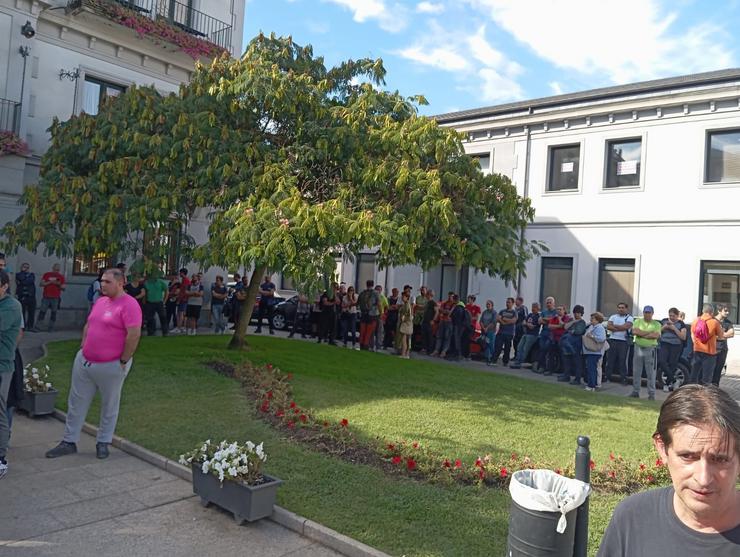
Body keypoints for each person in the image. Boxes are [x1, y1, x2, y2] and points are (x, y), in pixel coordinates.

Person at [597, 385, 740, 556]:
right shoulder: (632, 518)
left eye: (720, 459)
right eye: (687, 456)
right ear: (662, 449)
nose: (703, 478)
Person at [45, 268, 142, 461]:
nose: (102, 285)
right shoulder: (100, 301)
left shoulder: (129, 305)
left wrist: (123, 360)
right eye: (102, 281)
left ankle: (103, 442)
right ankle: (69, 441)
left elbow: (134, 335)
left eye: (107, 282)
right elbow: (89, 324)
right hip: (85, 362)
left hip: (111, 365)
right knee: (76, 402)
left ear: (120, 283)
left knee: (109, 405)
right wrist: (83, 346)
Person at [0, 270, 23, 479]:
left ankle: (0, 459)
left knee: (0, 414)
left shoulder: (11, 306)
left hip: (1, 367)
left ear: (5, 285)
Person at [630, 305, 662, 400]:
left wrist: (642, 333)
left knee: (651, 373)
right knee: (636, 371)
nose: (647, 314)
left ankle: (651, 394)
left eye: (649, 312)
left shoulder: (656, 324)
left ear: (652, 313)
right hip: (638, 347)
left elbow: (656, 335)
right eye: (645, 312)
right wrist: (648, 333)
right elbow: (635, 332)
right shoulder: (637, 321)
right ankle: (635, 392)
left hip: (650, 349)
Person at [690, 304, 725, 385]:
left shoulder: (695, 321)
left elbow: (692, 334)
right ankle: (704, 395)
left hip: (697, 350)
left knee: (694, 375)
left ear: (703, 311)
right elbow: (721, 337)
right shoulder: (714, 322)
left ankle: (691, 393)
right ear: (712, 312)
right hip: (710, 352)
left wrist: (696, 343)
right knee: (707, 378)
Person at [658, 308, 687, 392]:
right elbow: (657, 332)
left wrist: (674, 328)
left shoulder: (681, 324)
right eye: (670, 315)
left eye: (673, 316)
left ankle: (667, 384)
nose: (671, 317)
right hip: (664, 344)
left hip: (676, 345)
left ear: (677, 316)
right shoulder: (664, 321)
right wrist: (665, 327)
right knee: (662, 362)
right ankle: (674, 380)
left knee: (672, 364)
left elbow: (683, 337)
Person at [606, 302, 634, 384]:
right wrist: (620, 327)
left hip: (623, 342)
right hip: (612, 340)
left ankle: (623, 378)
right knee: (610, 359)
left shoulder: (629, 318)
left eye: (623, 308)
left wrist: (615, 326)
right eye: (619, 307)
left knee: (623, 360)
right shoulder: (613, 316)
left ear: (626, 309)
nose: (621, 309)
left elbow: (626, 327)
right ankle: (607, 377)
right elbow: (608, 326)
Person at [559, 305, 587, 383]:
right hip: (567, 344)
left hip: (576, 344)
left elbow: (578, 331)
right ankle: (566, 375)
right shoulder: (572, 321)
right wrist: (573, 322)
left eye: (578, 313)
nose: (576, 314)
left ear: (581, 313)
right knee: (566, 361)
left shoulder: (582, 322)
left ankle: (577, 379)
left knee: (577, 362)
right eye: (575, 313)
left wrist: (571, 331)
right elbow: (565, 327)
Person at [510, 303, 541, 369]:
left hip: (533, 335)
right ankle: (517, 360)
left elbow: (532, 327)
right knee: (519, 347)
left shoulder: (539, 316)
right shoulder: (530, 315)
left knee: (525, 349)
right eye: (533, 307)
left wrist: (527, 324)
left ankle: (519, 363)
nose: (533, 308)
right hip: (526, 333)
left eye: (535, 307)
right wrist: (527, 324)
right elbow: (523, 322)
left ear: (538, 308)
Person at [37, 263, 65, 332]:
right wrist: (50, 282)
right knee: (42, 311)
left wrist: (58, 284)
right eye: (55, 269)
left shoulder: (61, 277)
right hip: (46, 296)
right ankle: (38, 327)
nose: (56, 271)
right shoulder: (47, 275)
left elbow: (63, 288)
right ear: (53, 268)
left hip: (55, 297)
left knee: (54, 312)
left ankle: (51, 327)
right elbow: (41, 284)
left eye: (58, 269)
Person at [583, 312, 607, 392]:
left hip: (595, 352)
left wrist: (592, 336)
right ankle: (591, 384)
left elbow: (602, 338)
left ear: (597, 320)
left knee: (592, 368)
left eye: (592, 318)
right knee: (590, 368)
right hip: (590, 351)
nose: (591, 320)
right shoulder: (592, 326)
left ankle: (591, 385)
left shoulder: (599, 327)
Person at [713, 304, 734, 387]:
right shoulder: (713, 321)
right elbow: (711, 335)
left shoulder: (728, 322)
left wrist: (719, 335)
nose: (727, 312)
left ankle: (715, 388)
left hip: (723, 350)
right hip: (713, 349)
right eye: (725, 310)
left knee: (718, 371)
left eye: (728, 311)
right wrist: (724, 334)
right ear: (719, 311)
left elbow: (732, 334)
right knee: (711, 370)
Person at [143, 272, 169, 337]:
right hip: (149, 302)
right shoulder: (146, 283)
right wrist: (144, 302)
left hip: (159, 302)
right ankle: (151, 332)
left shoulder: (160, 282)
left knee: (163, 317)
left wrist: (164, 301)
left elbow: (166, 291)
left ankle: (165, 332)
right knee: (150, 318)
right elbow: (145, 293)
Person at [535, 297, 557, 373]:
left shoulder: (556, 312)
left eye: (550, 302)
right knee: (541, 349)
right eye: (547, 302)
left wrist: (546, 319)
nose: (548, 304)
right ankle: (542, 367)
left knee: (547, 349)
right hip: (543, 333)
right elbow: (540, 321)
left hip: (551, 333)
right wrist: (548, 320)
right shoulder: (544, 311)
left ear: (553, 303)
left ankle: (549, 368)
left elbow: (554, 320)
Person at [358, 280, 380, 350]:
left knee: (362, 330)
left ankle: (361, 344)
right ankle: (366, 345)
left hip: (363, 313)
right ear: (373, 285)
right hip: (372, 314)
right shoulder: (375, 293)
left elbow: (358, 303)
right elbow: (379, 303)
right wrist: (381, 313)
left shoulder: (362, 293)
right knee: (369, 331)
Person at [431, 292, 455, 358]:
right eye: (449, 296)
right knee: (439, 336)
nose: (450, 297)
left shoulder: (454, 304)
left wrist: (444, 311)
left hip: (449, 322)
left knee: (447, 337)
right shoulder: (445, 303)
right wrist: (445, 311)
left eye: (451, 296)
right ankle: (436, 350)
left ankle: (444, 351)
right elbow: (440, 309)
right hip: (442, 321)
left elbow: (449, 312)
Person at [15, 262, 36, 331]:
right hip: (22, 296)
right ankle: (23, 327)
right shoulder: (18, 274)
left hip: (31, 296)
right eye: (24, 267)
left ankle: (30, 327)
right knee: (22, 312)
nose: (26, 268)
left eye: (27, 267)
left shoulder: (32, 274)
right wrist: (24, 280)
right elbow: (21, 279)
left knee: (31, 312)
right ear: (21, 267)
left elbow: (29, 281)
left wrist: (23, 281)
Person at [420, 289, 438, 354]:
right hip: (425, 321)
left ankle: (429, 350)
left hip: (429, 321)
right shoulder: (427, 302)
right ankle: (424, 348)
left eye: (427, 294)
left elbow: (436, 312)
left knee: (429, 336)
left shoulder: (433, 303)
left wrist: (433, 320)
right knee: (424, 335)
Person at [480, 300, 497, 366]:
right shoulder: (484, 312)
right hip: (484, 330)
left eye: (489, 304)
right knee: (486, 344)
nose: (487, 305)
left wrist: (487, 328)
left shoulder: (494, 313)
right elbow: (481, 320)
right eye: (487, 304)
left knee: (491, 344)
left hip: (491, 331)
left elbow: (493, 322)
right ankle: (487, 358)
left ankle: (493, 357)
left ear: (492, 305)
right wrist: (483, 328)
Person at [398, 291, 413, 359]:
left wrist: (403, 318)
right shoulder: (405, 304)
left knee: (404, 339)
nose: (402, 298)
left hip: (406, 324)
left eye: (403, 297)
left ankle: (404, 354)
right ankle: (405, 353)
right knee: (405, 339)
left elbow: (409, 316)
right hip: (405, 323)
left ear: (407, 298)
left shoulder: (407, 305)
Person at [175, 268, 191, 334]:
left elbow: (184, 291)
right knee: (181, 313)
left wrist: (179, 299)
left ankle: (179, 327)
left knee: (180, 313)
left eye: (180, 272)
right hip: (184, 299)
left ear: (182, 273)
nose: (179, 274)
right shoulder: (184, 280)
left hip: (183, 299)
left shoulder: (185, 280)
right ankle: (181, 327)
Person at [374, 285, 388, 351]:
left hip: (380, 315)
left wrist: (383, 315)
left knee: (379, 331)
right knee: (371, 330)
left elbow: (386, 307)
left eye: (379, 289)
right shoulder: (372, 296)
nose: (378, 291)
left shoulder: (383, 297)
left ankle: (378, 345)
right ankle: (370, 345)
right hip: (373, 315)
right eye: (376, 289)